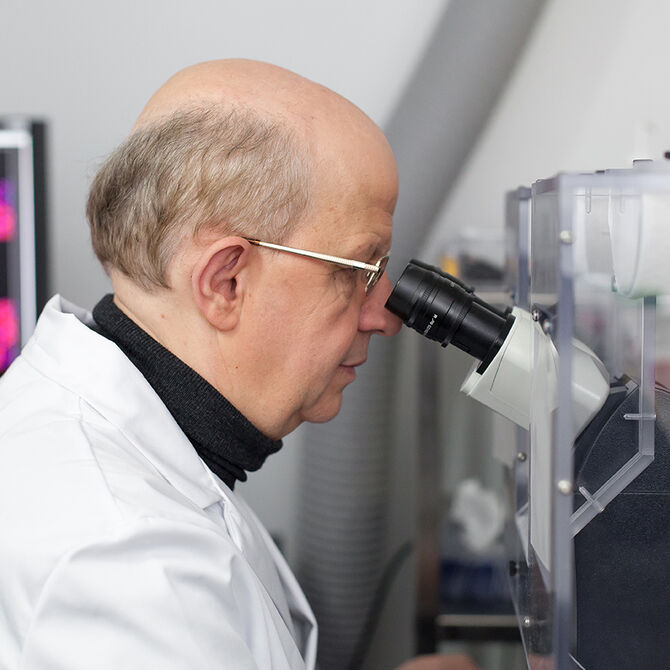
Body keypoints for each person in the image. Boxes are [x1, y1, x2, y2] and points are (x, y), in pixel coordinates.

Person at [0, 60, 479, 670]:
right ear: (225, 282)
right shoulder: (125, 559)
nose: (384, 315)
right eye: (359, 271)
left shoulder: (152, 450)